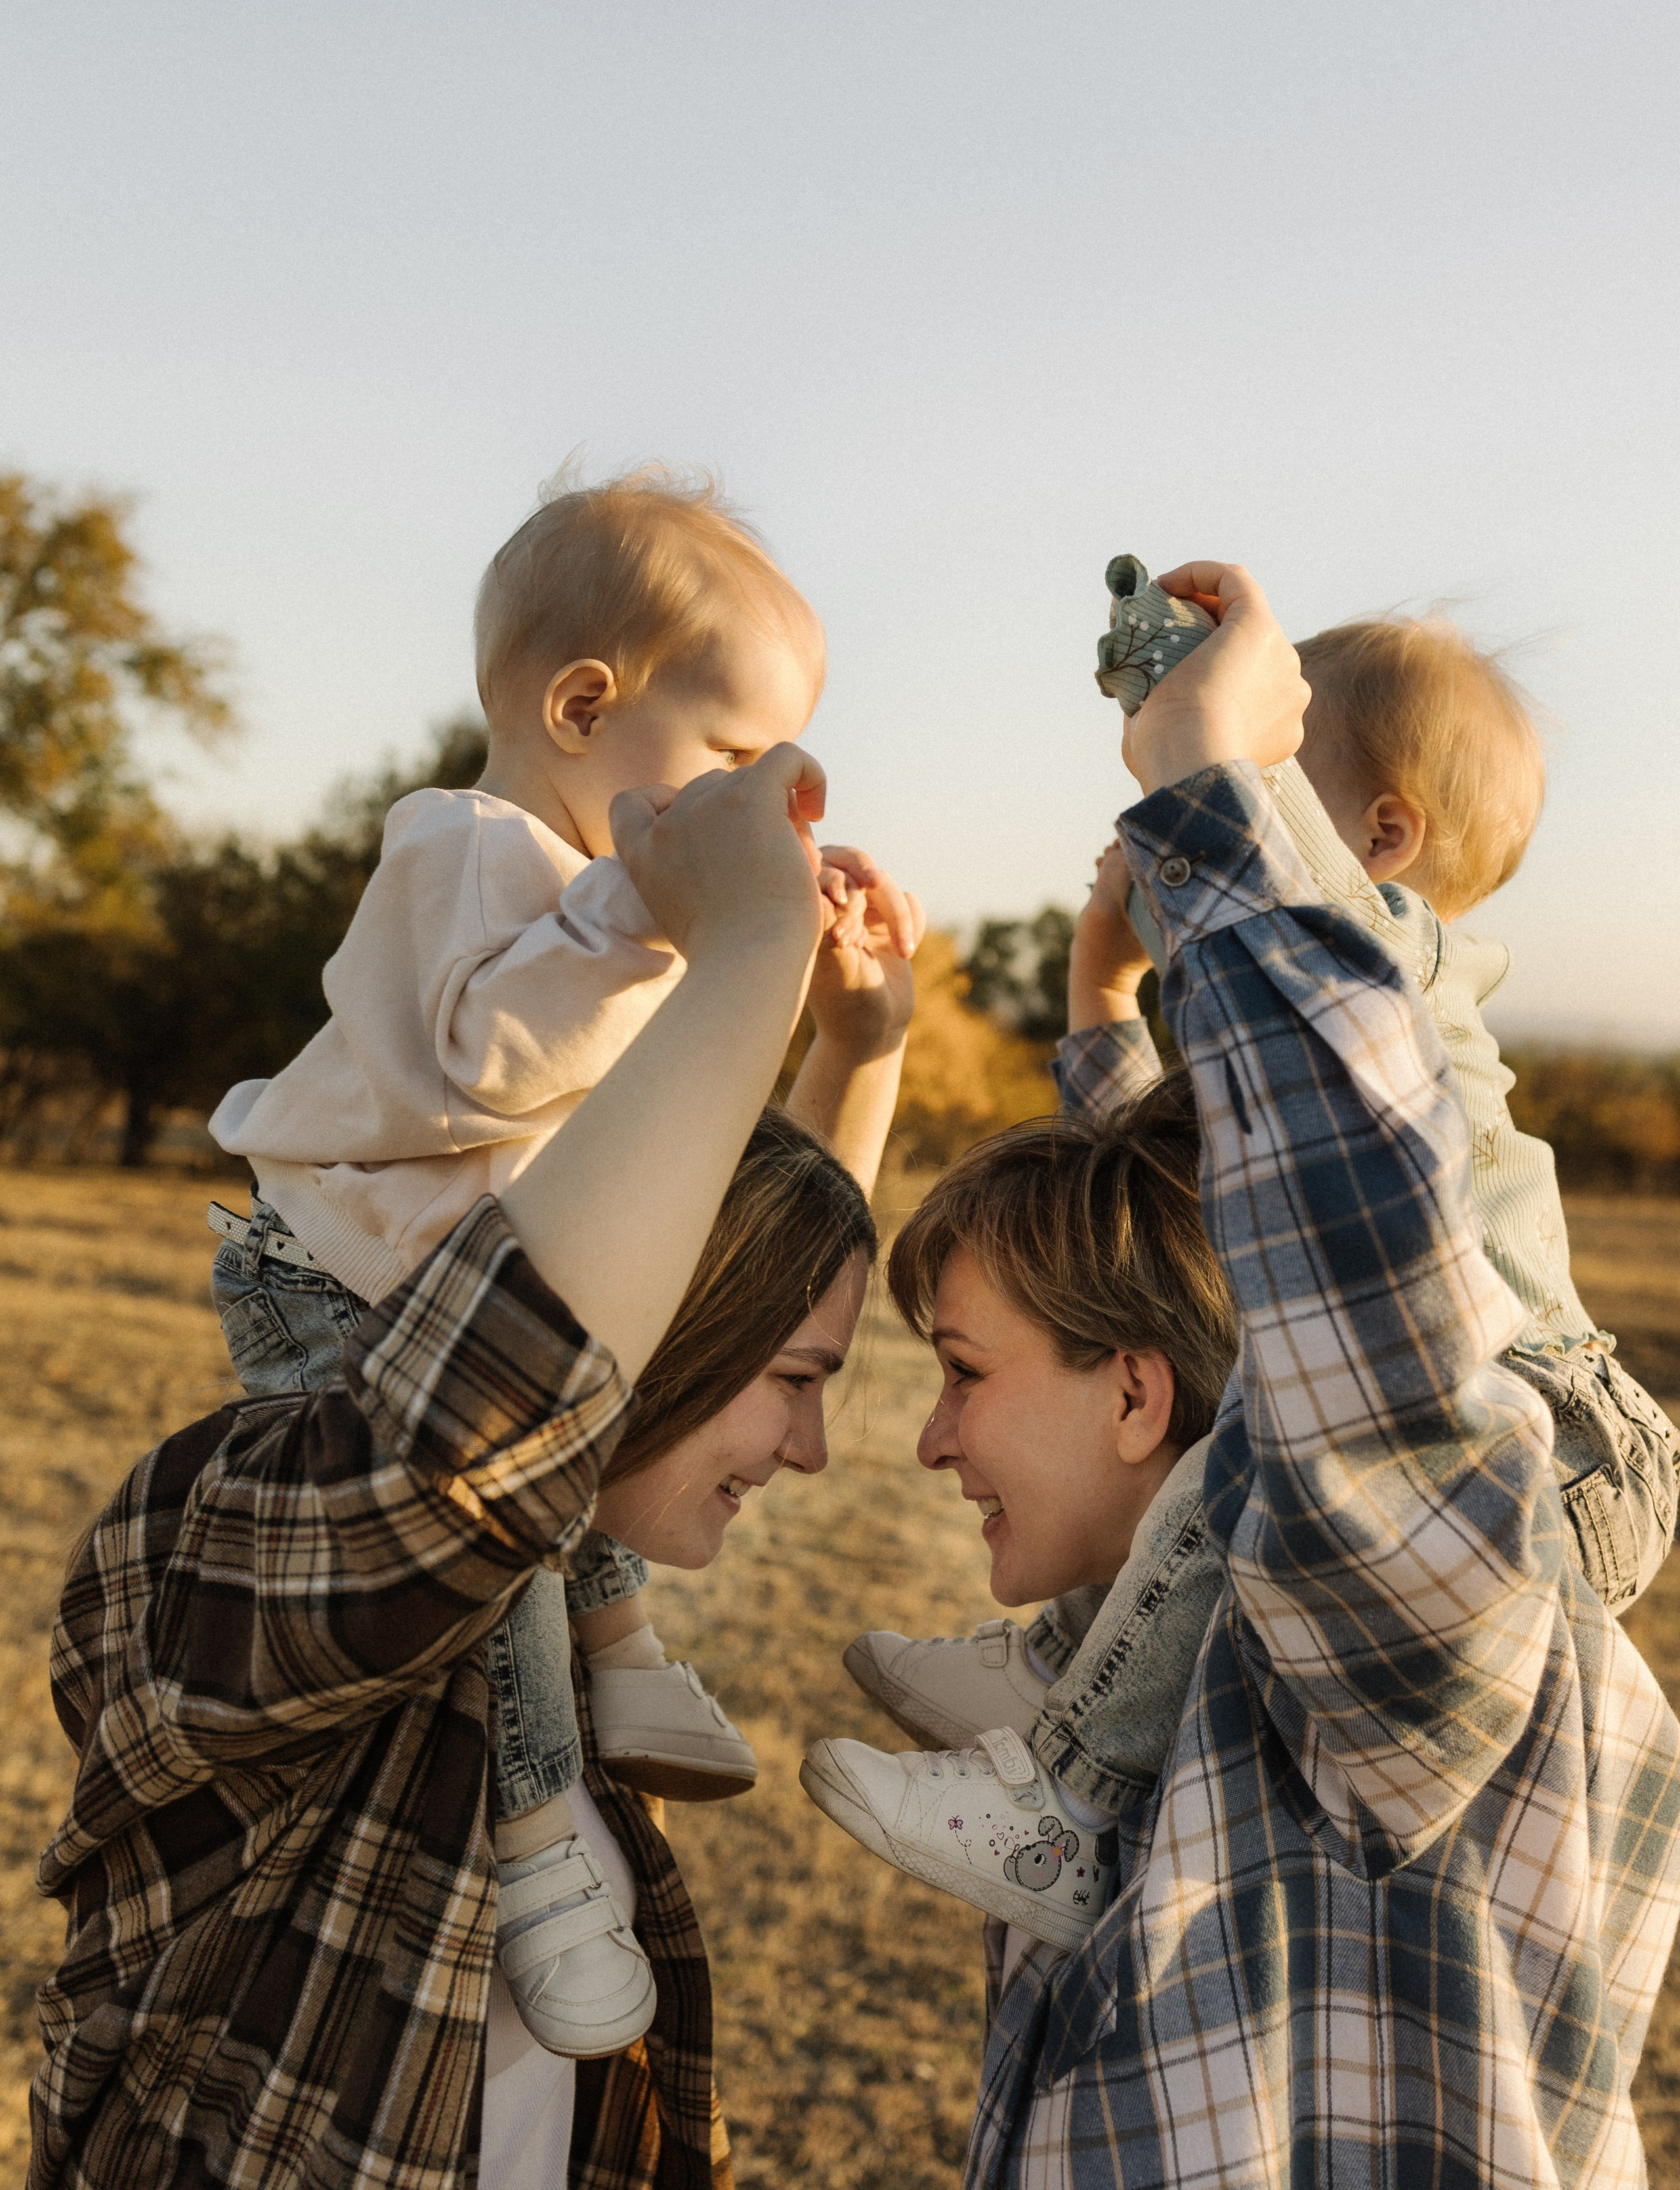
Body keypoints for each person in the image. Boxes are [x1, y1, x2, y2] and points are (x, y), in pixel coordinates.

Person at [805, 562, 1680, 2185]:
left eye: (959, 1375)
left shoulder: (1392, 1668)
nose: (922, 1440)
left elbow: (1335, 1202)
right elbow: (1171, 1232)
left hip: (1568, 1439)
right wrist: (1101, 1006)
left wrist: (1211, 785)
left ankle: (1056, 1778)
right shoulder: (1243, 1629)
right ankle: (1066, 1721)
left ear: (1135, 1394)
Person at [30, 742, 908, 2190]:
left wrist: (852, 1052)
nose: (810, 1451)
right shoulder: (238, 1524)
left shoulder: (547, 1614)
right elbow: (494, 1426)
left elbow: (718, 1294)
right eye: (798, 1390)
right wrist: (743, 950)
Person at [204, 465, 915, 2053]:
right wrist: (683, 928)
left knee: (569, 1432)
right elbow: (482, 1056)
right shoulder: (469, 850)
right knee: (509, 1514)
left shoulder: (598, 908)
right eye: (731, 754)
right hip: (346, 1292)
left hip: (465, 1308)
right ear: (585, 704)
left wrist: (843, 1029)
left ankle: (616, 1637)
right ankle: (535, 1843)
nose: (754, 791)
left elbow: (710, 1234)